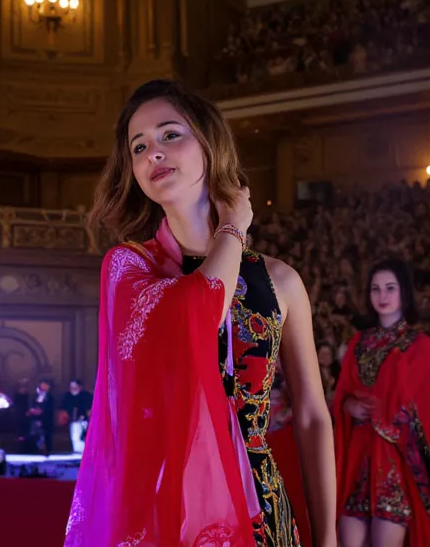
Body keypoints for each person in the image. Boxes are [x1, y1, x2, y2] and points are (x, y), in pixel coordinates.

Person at [65, 80, 335, 547]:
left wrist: (328, 536)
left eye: (171, 135)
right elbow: (198, 308)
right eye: (139, 146)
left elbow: (312, 415)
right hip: (166, 505)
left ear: (210, 145)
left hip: (262, 506)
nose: (154, 152)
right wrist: (233, 225)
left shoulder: (280, 281)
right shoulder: (130, 269)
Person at [333, 257, 430, 547]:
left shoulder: (421, 345)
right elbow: (342, 394)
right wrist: (347, 405)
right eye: (376, 289)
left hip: (394, 462)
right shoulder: (358, 342)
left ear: (404, 292)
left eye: (390, 288)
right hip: (357, 460)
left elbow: (412, 404)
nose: (382, 296)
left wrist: (374, 406)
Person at [60, 379, 92, 454]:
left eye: (75, 386)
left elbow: (90, 409)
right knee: (75, 437)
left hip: (84, 421)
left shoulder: (86, 396)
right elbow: (63, 408)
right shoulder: (67, 396)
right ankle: (78, 452)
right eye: (71, 386)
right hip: (72, 421)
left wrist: (86, 417)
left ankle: (82, 453)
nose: (73, 388)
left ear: (80, 387)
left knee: (82, 437)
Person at [27, 379, 55, 457]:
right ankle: (35, 451)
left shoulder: (50, 397)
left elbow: (50, 409)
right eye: (42, 385)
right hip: (35, 420)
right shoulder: (35, 396)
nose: (43, 387)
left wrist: (42, 412)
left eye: (45, 385)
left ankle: (47, 451)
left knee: (46, 436)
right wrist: (33, 411)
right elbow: (31, 405)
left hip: (46, 420)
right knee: (35, 436)